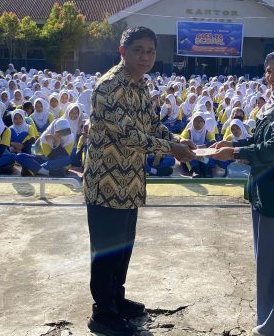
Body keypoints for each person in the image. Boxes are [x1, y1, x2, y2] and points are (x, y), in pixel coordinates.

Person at [82, 26, 196, 336]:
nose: (145, 57)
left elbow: (151, 125)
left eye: (150, 51)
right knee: (106, 251)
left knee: (123, 248)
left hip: (130, 183)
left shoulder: (140, 85)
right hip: (106, 184)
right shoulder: (109, 87)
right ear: (123, 51)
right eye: (138, 50)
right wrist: (170, 149)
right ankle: (102, 313)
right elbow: (128, 136)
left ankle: (116, 299)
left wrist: (178, 141)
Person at [213, 49, 274, 335]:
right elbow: (261, 139)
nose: (271, 77)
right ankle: (269, 317)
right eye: (268, 71)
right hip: (264, 193)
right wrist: (231, 144)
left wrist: (235, 153)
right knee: (268, 263)